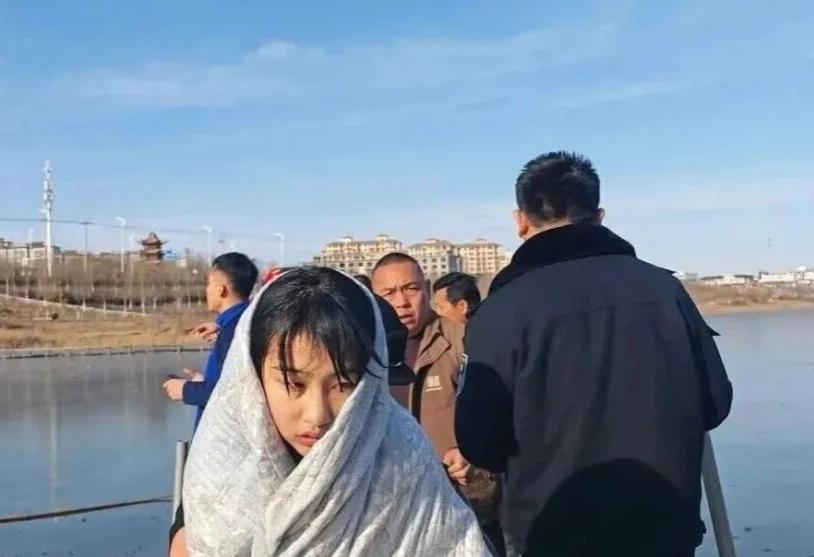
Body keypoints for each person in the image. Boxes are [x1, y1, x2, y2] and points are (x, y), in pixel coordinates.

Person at [455, 151, 734, 557]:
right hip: (663, 527)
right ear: (599, 216)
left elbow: (479, 442)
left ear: (520, 220)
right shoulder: (664, 290)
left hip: (552, 534)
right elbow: (715, 402)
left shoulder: (500, 311)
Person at [178, 268, 490, 556]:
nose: (318, 416)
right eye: (294, 383)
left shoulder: (405, 460)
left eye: (343, 384)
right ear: (252, 378)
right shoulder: (221, 463)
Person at [371, 253, 503, 555]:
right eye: (389, 293)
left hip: (467, 498)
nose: (402, 302)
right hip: (396, 505)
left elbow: (498, 411)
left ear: (427, 290)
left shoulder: (464, 339)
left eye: (411, 289)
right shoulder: (367, 350)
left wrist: (472, 451)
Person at [162, 252, 258, 427]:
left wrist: (186, 390)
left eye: (209, 284)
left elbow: (235, 396)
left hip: (226, 437)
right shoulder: (241, 322)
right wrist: (203, 383)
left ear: (221, 289)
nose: (206, 290)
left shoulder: (234, 332)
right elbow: (228, 385)